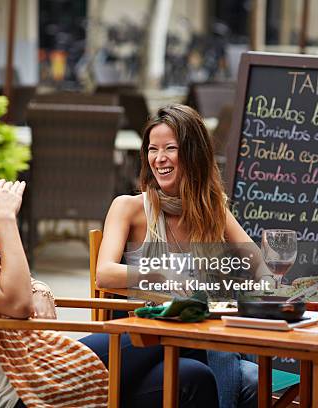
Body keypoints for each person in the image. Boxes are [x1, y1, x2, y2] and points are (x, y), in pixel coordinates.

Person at [0, 127, 220, 408]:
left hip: (38, 363)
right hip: (16, 391)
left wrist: (39, 288)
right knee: (174, 324)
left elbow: (24, 286)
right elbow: (15, 301)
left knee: (191, 377)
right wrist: (5, 219)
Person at [97, 105, 260, 408]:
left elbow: (258, 264)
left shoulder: (213, 211)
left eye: (170, 149)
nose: (159, 159)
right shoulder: (128, 208)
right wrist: (158, 274)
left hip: (202, 335)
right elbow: (104, 274)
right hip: (150, 342)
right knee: (240, 372)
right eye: (153, 149)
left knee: (252, 375)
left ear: (193, 154)